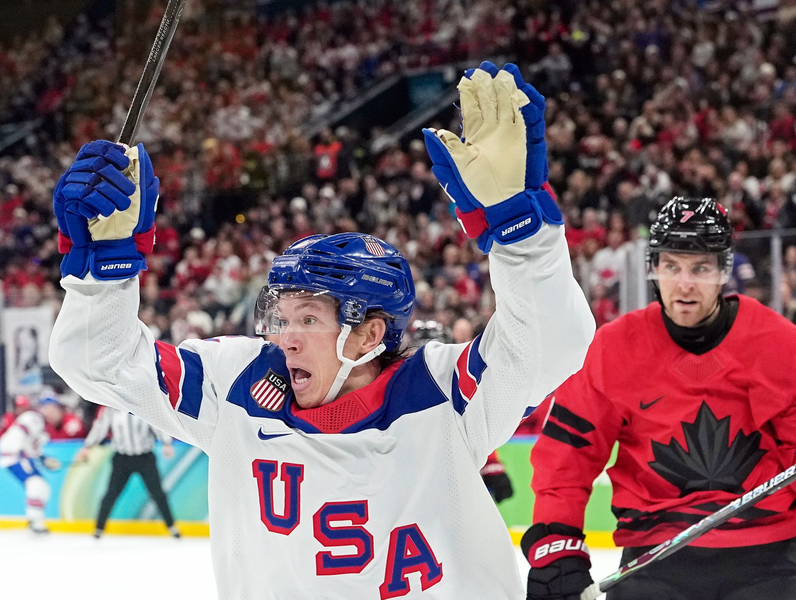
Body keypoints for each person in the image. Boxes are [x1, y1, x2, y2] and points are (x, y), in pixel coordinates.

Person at [49, 62, 594, 599]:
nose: (284, 337)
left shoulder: (441, 396)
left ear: (369, 335)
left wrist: (520, 230)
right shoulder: (235, 386)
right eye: (281, 317)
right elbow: (100, 363)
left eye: (309, 319)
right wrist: (104, 273)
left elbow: (552, 343)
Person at [522, 197, 796, 600]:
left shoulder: (780, 344)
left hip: (769, 561)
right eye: (671, 266)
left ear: (724, 271)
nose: (684, 284)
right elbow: (568, 455)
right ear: (654, 268)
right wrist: (557, 545)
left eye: (700, 268)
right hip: (654, 562)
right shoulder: (614, 349)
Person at [77, 407, 180, 539]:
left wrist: (166, 442)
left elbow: (157, 425)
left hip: (145, 457)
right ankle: (99, 528)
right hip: (122, 458)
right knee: (111, 494)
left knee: (158, 493)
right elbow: (100, 428)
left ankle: (171, 526)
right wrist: (87, 446)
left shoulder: (143, 406)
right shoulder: (111, 409)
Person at [0, 399, 62, 533]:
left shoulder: (45, 430)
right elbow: (17, 437)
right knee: (35, 484)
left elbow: (33, 451)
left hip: (20, 455)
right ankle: (35, 522)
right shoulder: (33, 417)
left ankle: (35, 519)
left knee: (43, 488)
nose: (56, 413)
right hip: (13, 455)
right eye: (52, 409)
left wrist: (44, 459)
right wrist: (22, 453)